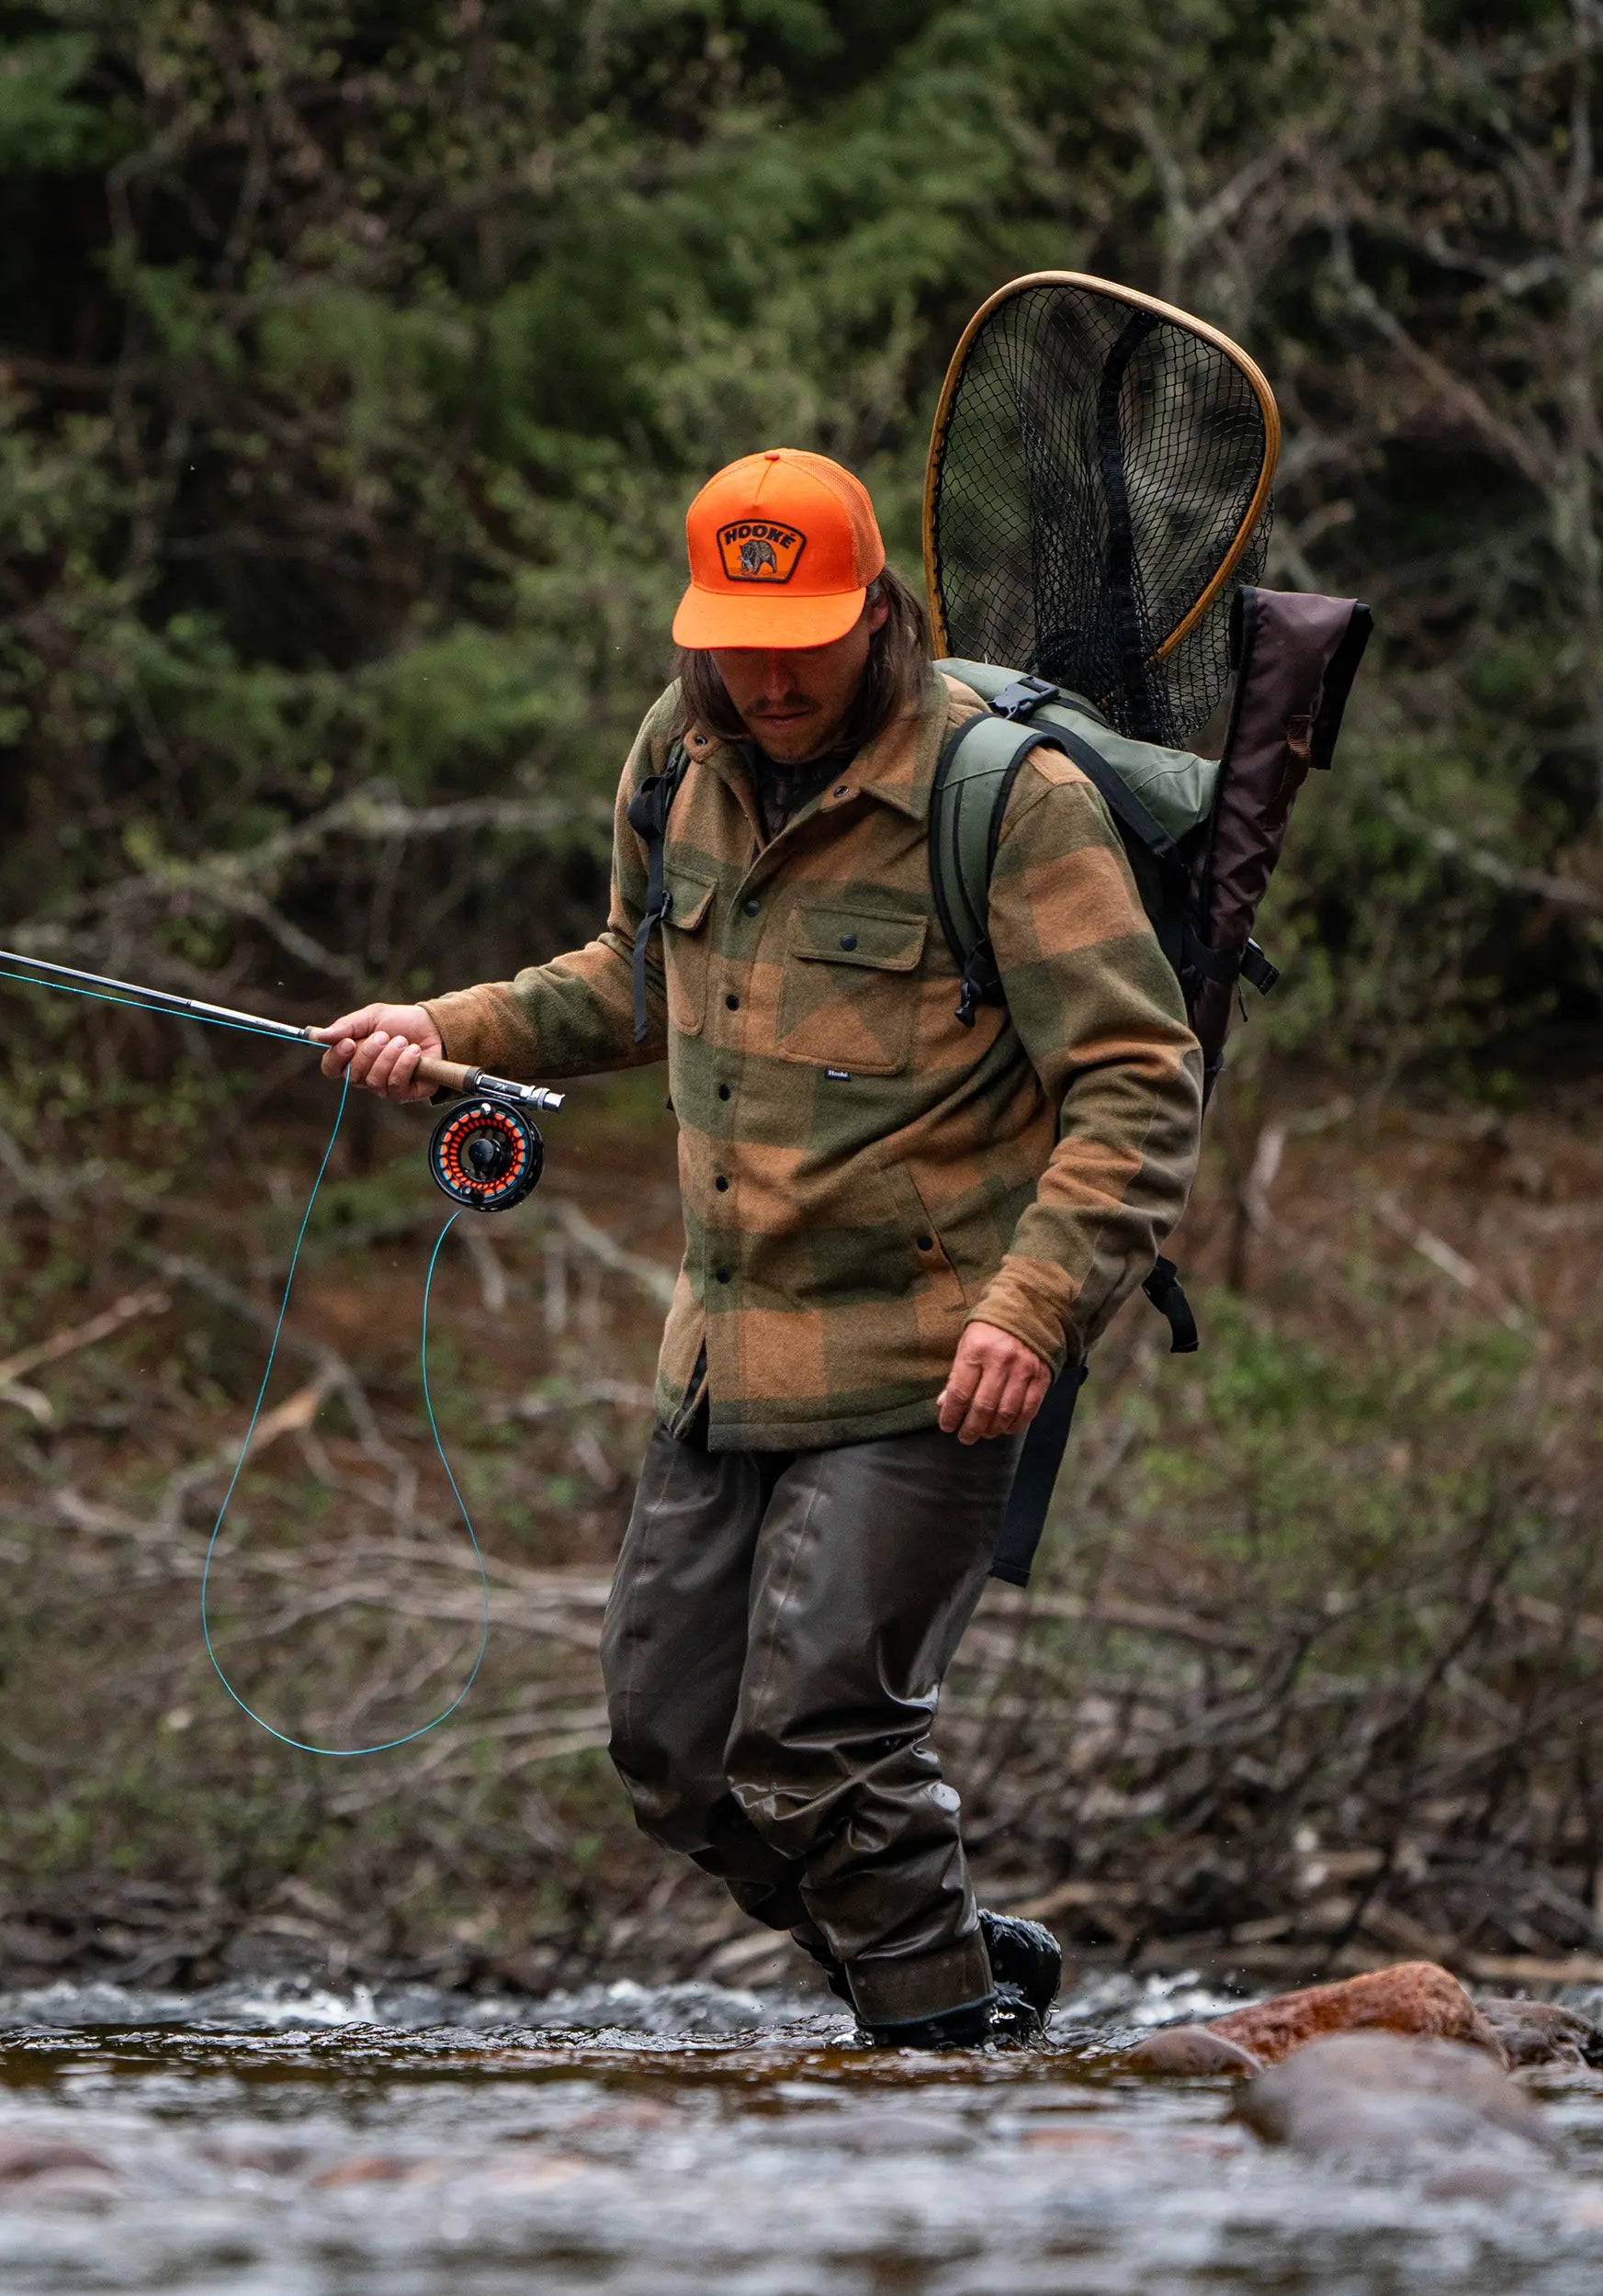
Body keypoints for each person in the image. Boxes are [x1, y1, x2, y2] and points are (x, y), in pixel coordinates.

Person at [320, 448, 1202, 2047]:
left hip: (938, 1358)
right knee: (670, 1753)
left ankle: (945, 2059)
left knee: (818, 1746)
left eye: (804, 635)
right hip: (724, 1353)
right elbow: (630, 976)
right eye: (739, 637)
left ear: (877, 612)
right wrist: (439, 1026)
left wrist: (1038, 1303)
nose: (772, 674)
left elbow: (1141, 1081)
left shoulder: (1009, 801)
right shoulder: (678, 755)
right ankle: (936, 1948)